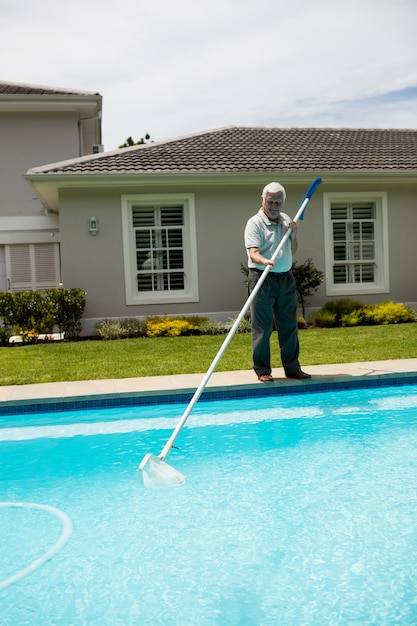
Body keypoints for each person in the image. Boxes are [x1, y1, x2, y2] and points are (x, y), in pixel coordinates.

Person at [244, 182, 311, 382]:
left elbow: (292, 250)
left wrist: (294, 234)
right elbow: (253, 253)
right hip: (262, 279)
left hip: (286, 279)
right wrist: (265, 261)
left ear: (283, 203)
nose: (274, 206)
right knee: (262, 327)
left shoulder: (286, 220)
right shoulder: (254, 223)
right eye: (270, 201)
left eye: (278, 202)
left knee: (289, 325)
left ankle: (292, 368)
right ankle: (263, 370)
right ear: (262, 200)